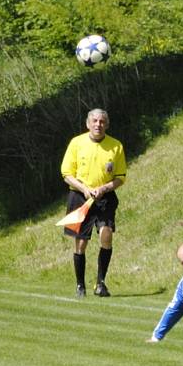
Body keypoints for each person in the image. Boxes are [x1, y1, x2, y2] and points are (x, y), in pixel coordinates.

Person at [60, 108, 127, 298]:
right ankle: (80, 285)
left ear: (107, 124)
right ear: (88, 123)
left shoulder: (116, 146)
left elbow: (120, 177)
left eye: (102, 122)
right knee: (80, 243)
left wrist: (104, 188)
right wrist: (84, 189)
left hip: (104, 198)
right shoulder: (76, 143)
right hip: (80, 197)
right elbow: (66, 174)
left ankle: (101, 283)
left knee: (106, 235)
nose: (98, 125)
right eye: (95, 121)